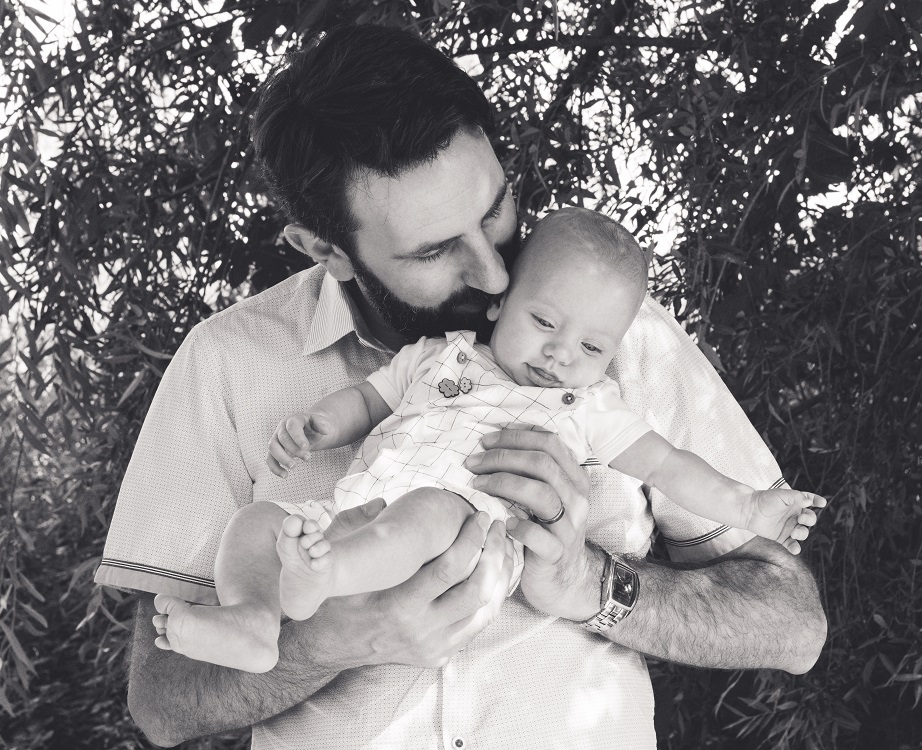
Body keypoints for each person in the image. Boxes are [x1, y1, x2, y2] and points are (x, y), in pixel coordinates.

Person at [98, 23, 827, 749]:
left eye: (495, 210)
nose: (496, 274)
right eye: (437, 249)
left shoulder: (615, 338)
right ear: (327, 250)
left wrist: (590, 586)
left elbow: (792, 623)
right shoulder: (227, 361)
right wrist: (324, 644)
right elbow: (161, 701)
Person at [148, 207, 826, 674]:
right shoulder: (440, 356)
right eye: (544, 322)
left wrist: (746, 506)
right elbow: (369, 399)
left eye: (591, 345)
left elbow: (671, 465)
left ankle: (321, 577)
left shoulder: (587, 404)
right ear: (501, 301)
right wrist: (317, 425)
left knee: (429, 515)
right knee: (256, 522)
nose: (561, 355)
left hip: (462, 531)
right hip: (354, 513)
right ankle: (254, 620)